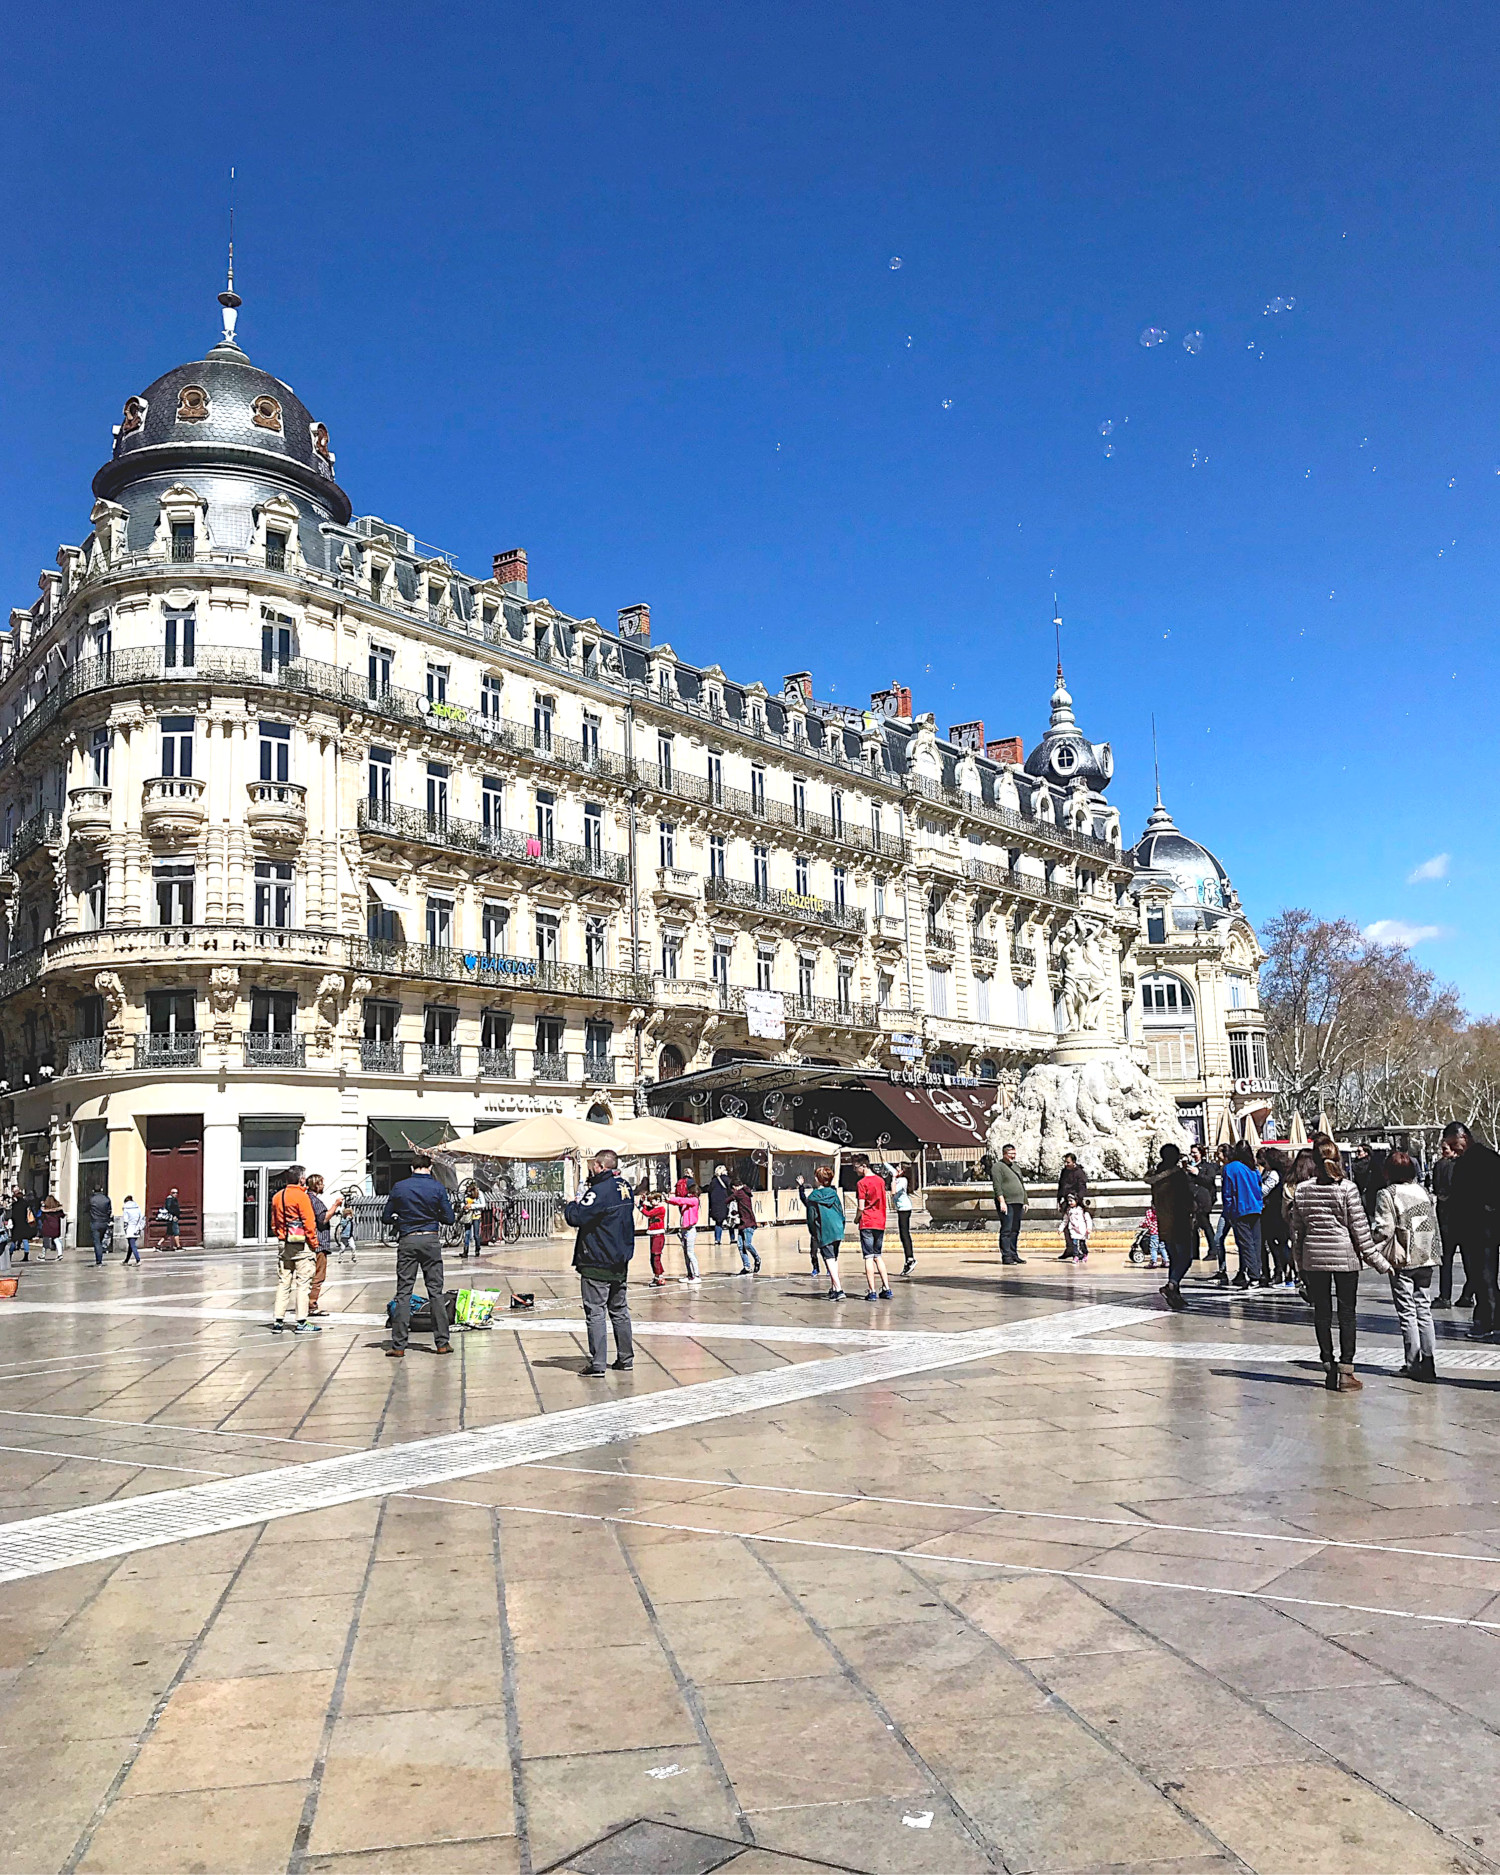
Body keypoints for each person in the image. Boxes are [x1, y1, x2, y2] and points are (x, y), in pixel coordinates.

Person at [1287, 1135, 1391, 1391]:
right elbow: (1361, 1233)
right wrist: (1382, 1264)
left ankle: (1327, 1366)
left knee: (1321, 1314)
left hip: (1314, 1258)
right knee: (1347, 1314)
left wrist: (1300, 1263)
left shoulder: (1303, 1189)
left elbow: (1297, 1232)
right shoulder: (1347, 1189)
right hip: (1345, 1258)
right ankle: (1346, 1370)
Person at [563, 1148, 635, 1376]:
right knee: (619, 1310)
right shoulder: (624, 1187)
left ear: (601, 1166)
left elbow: (576, 1217)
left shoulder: (599, 1191)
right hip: (620, 1259)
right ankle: (626, 1358)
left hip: (597, 1258)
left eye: (594, 1165)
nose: (591, 1169)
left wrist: (573, 1202)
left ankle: (598, 1364)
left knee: (595, 1311)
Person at [1372, 1148, 1439, 1381]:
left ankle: (1412, 1362)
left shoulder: (1387, 1194)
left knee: (1407, 1311)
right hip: (1426, 1255)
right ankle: (1428, 1361)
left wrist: (1371, 1246)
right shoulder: (1422, 1191)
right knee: (1424, 1307)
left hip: (1403, 1258)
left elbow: (1384, 1229)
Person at [381, 1150, 455, 1358]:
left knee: (404, 1292)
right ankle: (442, 1342)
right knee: (436, 1292)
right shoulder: (437, 1188)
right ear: (430, 1167)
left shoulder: (400, 1187)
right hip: (430, 1239)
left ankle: (399, 1345)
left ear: (411, 1168)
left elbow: (386, 1217)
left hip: (407, 1239)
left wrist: (400, 1219)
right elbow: (449, 1218)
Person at [1443, 1122, 1500, 1339]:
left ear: (1463, 1138)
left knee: (1481, 1276)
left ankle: (1486, 1321)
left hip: (1479, 1228)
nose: (1452, 1149)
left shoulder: (1480, 1160)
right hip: (1479, 1229)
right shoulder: (1479, 1158)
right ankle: (1492, 1319)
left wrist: (1484, 1211)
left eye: (1452, 1143)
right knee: (1483, 1277)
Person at [269, 1166, 322, 1335]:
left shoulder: (278, 1196)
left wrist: (280, 1235)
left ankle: (278, 1320)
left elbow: (273, 1223)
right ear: (301, 1179)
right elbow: (309, 1222)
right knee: (303, 1283)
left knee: (284, 1282)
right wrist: (314, 1243)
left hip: (284, 1243)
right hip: (301, 1244)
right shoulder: (302, 1197)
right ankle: (301, 1321)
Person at [1151, 1142, 1196, 1309]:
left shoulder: (1157, 1176)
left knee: (1175, 1258)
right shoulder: (1177, 1176)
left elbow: (1155, 1201)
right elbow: (1186, 1198)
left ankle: (1174, 1294)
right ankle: (1172, 1284)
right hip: (1179, 1221)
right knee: (1186, 1257)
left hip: (1164, 1221)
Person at [1220, 1143, 1264, 1288]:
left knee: (1246, 1244)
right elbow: (1259, 1187)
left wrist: (1228, 1212)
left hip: (1240, 1209)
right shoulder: (1253, 1168)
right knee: (1256, 1242)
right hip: (1256, 1207)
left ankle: (1253, 1276)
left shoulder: (1230, 1168)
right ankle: (1258, 1273)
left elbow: (1227, 1193)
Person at [801, 1165, 847, 1298]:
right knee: (834, 1258)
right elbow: (840, 1211)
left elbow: (811, 1217)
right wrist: (842, 1225)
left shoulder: (813, 1197)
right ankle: (834, 1287)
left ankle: (838, 1289)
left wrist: (813, 1232)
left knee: (829, 1258)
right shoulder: (834, 1194)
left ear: (817, 1179)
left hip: (824, 1230)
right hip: (837, 1228)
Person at [852, 1154, 892, 1299]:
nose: (855, 1170)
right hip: (880, 1221)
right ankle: (887, 1288)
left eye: (856, 1167)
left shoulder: (862, 1183)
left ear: (863, 1166)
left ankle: (872, 1291)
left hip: (867, 1222)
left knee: (868, 1257)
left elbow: (861, 1206)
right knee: (878, 1256)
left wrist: (856, 1219)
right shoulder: (880, 1181)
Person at [305, 1174, 343, 1316]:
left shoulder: (306, 1198)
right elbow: (323, 1219)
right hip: (319, 1242)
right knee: (318, 1275)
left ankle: (306, 1303)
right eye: (321, 1183)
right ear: (317, 1185)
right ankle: (311, 1304)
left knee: (308, 1275)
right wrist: (336, 1205)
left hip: (309, 1241)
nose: (323, 1186)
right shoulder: (315, 1201)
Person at [1258, 1149, 1293, 1288]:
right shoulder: (1283, 1172)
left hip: (1274, 1214)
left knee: (1278, 1245)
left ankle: (1283, 1272)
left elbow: (1263, 1191)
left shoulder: (1273, 1174)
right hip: (1277, 1213)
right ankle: (1285, 1272)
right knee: (1279, 1244)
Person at [990, 1143, 1028, 1266]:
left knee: (1015, 1229)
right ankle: (1006, 1256)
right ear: (1004, 1154)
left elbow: (1022, 1185)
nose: (1013, 1156)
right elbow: (997, 1185)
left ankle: (1013, 1254)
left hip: (1018, 1202)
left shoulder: (1016, 1167)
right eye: (1011, 1154)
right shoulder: (998, 1167)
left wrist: (1025, 1201)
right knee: (1007, 1228)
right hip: (1007, 1202)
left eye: (1014, 1154)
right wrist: (1002, 1201)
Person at [1431, 1138, 1458, 1307]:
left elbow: (1437, 1186)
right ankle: (1467, 1295)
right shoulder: (1461, 1164)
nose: (1443, 1152)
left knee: (1446, 1259)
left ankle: (1445, 1296)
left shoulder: (1441, 1165)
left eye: (1445, 1149)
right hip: (1459, 1218)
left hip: (1447, 1218)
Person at [665, 1176, 701, 1281]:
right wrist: (669, 1201)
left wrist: (671, 1199)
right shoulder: (688, 1200)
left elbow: (681, 1200)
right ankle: (690, 1275)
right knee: (686, 1254)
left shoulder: (694, 1200)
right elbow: (680, 1201)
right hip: (684, 1229)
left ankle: (697, 1275)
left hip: (690, 1230)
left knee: (690, 1253)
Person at [1187, 1148, 1217, 1263]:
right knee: (1193, 1227)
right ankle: (1194, 1252)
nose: (1193, 1155)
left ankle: (1213, 1250)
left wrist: (1197, 1173)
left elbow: (1210, 1181)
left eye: (1195, 1152)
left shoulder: (1208, 1167)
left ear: (1201, 1154)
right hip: (1191, 1201)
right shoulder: (1188, 1166)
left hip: (1203, 1201)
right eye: (1192, 1153)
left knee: (1205, 1225)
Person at [890, 1162, 916, 1275]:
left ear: (902, 1171)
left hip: (905, 1209)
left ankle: (910, 1258)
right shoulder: (899, 1178)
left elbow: (893, 1191)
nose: (896, 1168)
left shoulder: (902, 1180)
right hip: (901, 1209)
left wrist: (893, 1178)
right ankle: (909, 1259)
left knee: (904, 1234)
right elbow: (889, 1167)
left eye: (898, 1167)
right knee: (903, 1234)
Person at [731, 1175, 761, 1273]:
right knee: (740, 1245)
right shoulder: (743, 1194)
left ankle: (757, 1258)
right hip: (742, 1223)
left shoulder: (740, 1193)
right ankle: (747, 1266)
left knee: (747, 1244)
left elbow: (728, 1199)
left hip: (748, 1223)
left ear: (735, 1187)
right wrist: (736, 1213)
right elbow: (743, 1209)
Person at [640, 1189, 669, 1286]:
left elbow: (648, 1213)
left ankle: (660, 1276)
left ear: (658, 1200)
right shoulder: (654, 1208)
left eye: (653, 1200)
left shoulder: (660, 1209)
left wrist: (640, 1207)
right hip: (653, 1234)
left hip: (658, 1235)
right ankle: (656, 1275)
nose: (651, 1202)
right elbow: (647, 1209)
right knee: (652, 1257)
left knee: (656, 1256)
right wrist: (642, 1202)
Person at [1059, 1191, 1092, 1262]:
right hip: (1073, 1230)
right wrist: (1061, 1228)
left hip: (1082, 1230)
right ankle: (1075, 1256)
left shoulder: (1082, 1211)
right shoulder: (1068, 1211)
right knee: (1074, 1243)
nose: (1069, 1203)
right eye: (1068, 1201)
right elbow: (1065, 1220)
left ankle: (1084, 1254)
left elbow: (1088, 1220)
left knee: (1082, 1244)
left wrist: (1089, 1228)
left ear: (1076, 1200)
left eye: (1071, 1201)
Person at [706, 1166, 734, 1247]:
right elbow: (731, 1190)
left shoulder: (713, 1181)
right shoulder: (727, 1180)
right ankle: (732, 1238)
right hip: (726, 1202)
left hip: (716, 1204)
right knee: (730, 1221)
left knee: (718, 1222)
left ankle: (717, 1240)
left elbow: (709, 1192)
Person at [86, 1187, 113, 1266]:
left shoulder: (91, 1199)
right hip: (104, 1223)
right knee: (100, 1241)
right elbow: (109, 1211)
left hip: (95, 1222)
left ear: (93, 1190)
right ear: (101, 1190)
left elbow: (86, 1209)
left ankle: (99, 1261)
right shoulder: (107, 1199)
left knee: (97, 1242)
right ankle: (100, 1258)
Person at [458, 1180, 484, 1258]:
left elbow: (483, 1204)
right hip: (467, 1216)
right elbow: (462, 1202)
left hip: (476, 1216)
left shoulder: (479, 1193)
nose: (467, 1188)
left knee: (476, 1234)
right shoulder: (465, 1194)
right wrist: (464, 1206)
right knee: (467, 1234)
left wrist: (472, 1206)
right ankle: (465, 1251)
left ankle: (477, 1249)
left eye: (468, 1186)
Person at [10, 1187, 35, 1264]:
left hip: (17, 1224)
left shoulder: (15, 1205)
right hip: (24, 1224)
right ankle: (26, 1256)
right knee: (25, 1240)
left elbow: (12, 1215)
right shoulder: (26, 1204)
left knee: (14, 1240)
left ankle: (10, 1255)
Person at [39, 1194, 65, 1263]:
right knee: (56, 1240)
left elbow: (40, 1217)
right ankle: (60, 1254)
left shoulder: (45, 1210)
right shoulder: (58, 1211)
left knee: (45, 1242)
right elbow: (63, 1216)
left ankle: (43, 1255)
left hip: (47, 1227)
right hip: (56, 1226)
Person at [120, 1194, 144, 1265]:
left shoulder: (126, 1209)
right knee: (131, 1245)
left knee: (132, 1245)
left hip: (130, 1228)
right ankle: (126, 1260)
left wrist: (125, 1229)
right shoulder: (138, 1208)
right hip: (137, 1228)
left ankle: (138, 1260)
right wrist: (139, 1227)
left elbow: (126, 1221)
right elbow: (141, 1218)